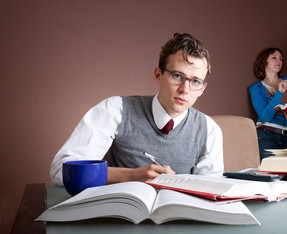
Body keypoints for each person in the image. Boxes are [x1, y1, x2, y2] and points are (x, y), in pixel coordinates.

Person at [50, 33, 224, 186]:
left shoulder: (209, 130)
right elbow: (61, 171)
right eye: (177, 76)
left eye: (195, 81)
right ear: (158, 74)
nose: (185, 89)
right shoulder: (115, 109)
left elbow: (211, 190)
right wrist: (130, 175)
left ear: (202, 89)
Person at [249, 48, 287, 160]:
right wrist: (279, 94)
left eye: (281, 58)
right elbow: (266, 116)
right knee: (271, 174)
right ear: (264, 61)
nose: (279, 61)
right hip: (267, 135)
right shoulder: (256, 88)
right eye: (274, 58)